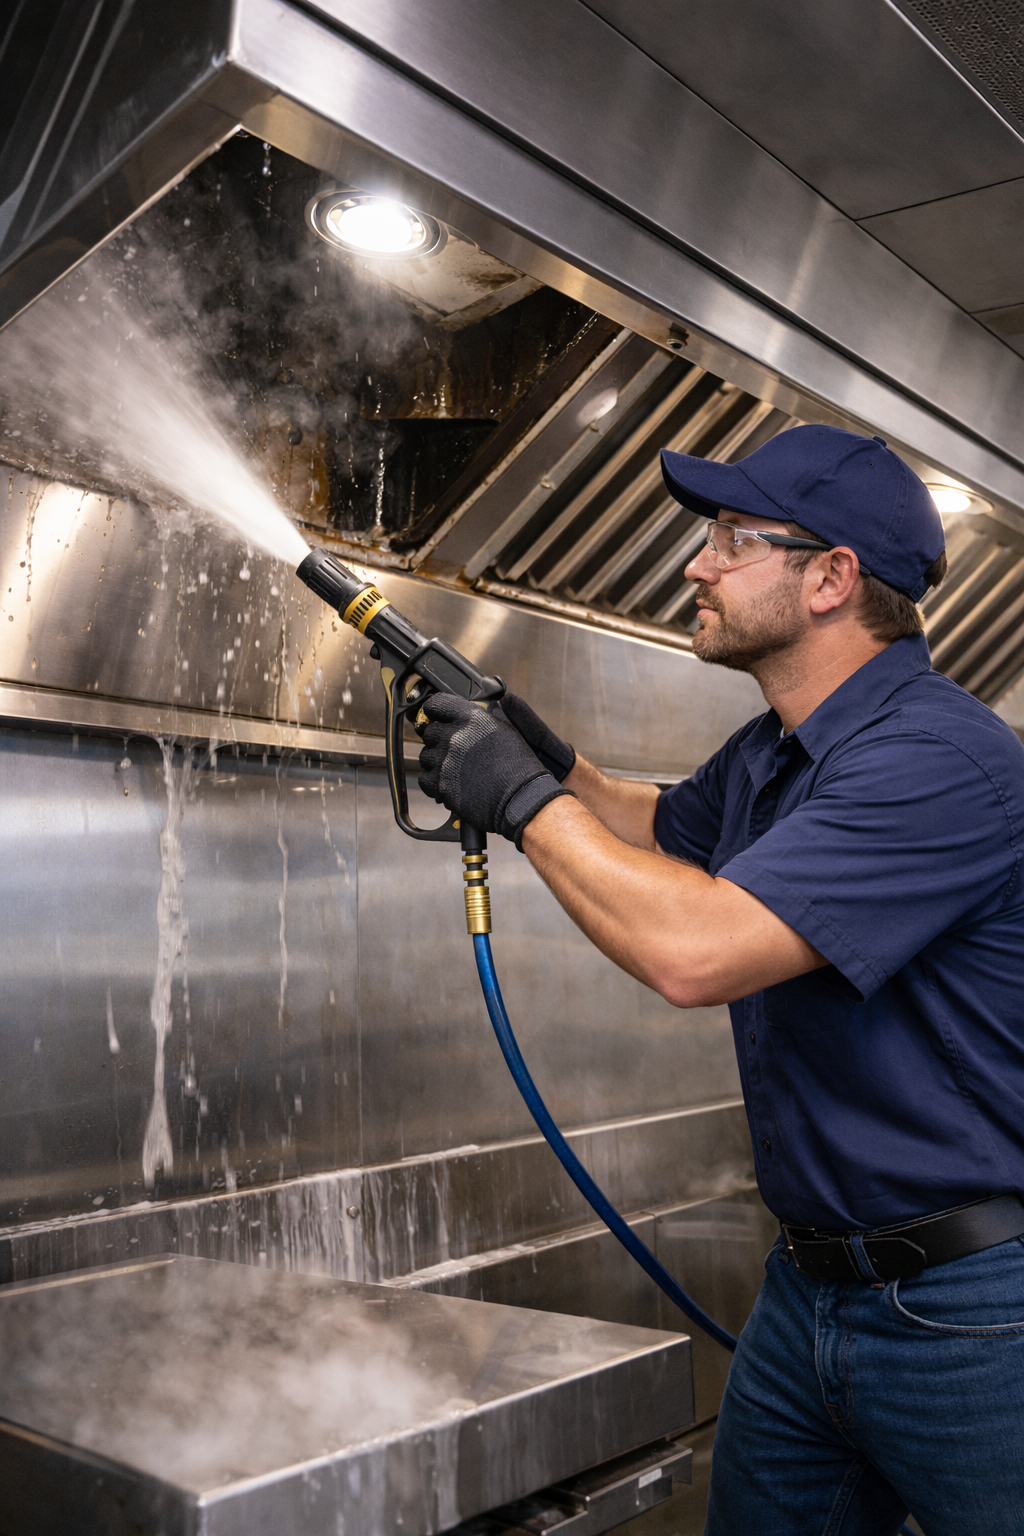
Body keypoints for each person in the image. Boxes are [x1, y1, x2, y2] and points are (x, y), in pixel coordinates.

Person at [417, 424, 1024, 1536]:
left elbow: (692, 952)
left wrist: (520, 801)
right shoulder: (774, 754)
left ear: (832, 578)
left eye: (732, 540)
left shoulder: (939, 761)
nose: (696, 565)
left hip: (971, 1307)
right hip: (808, 1292)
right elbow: (656, 829)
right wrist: (549, 763)